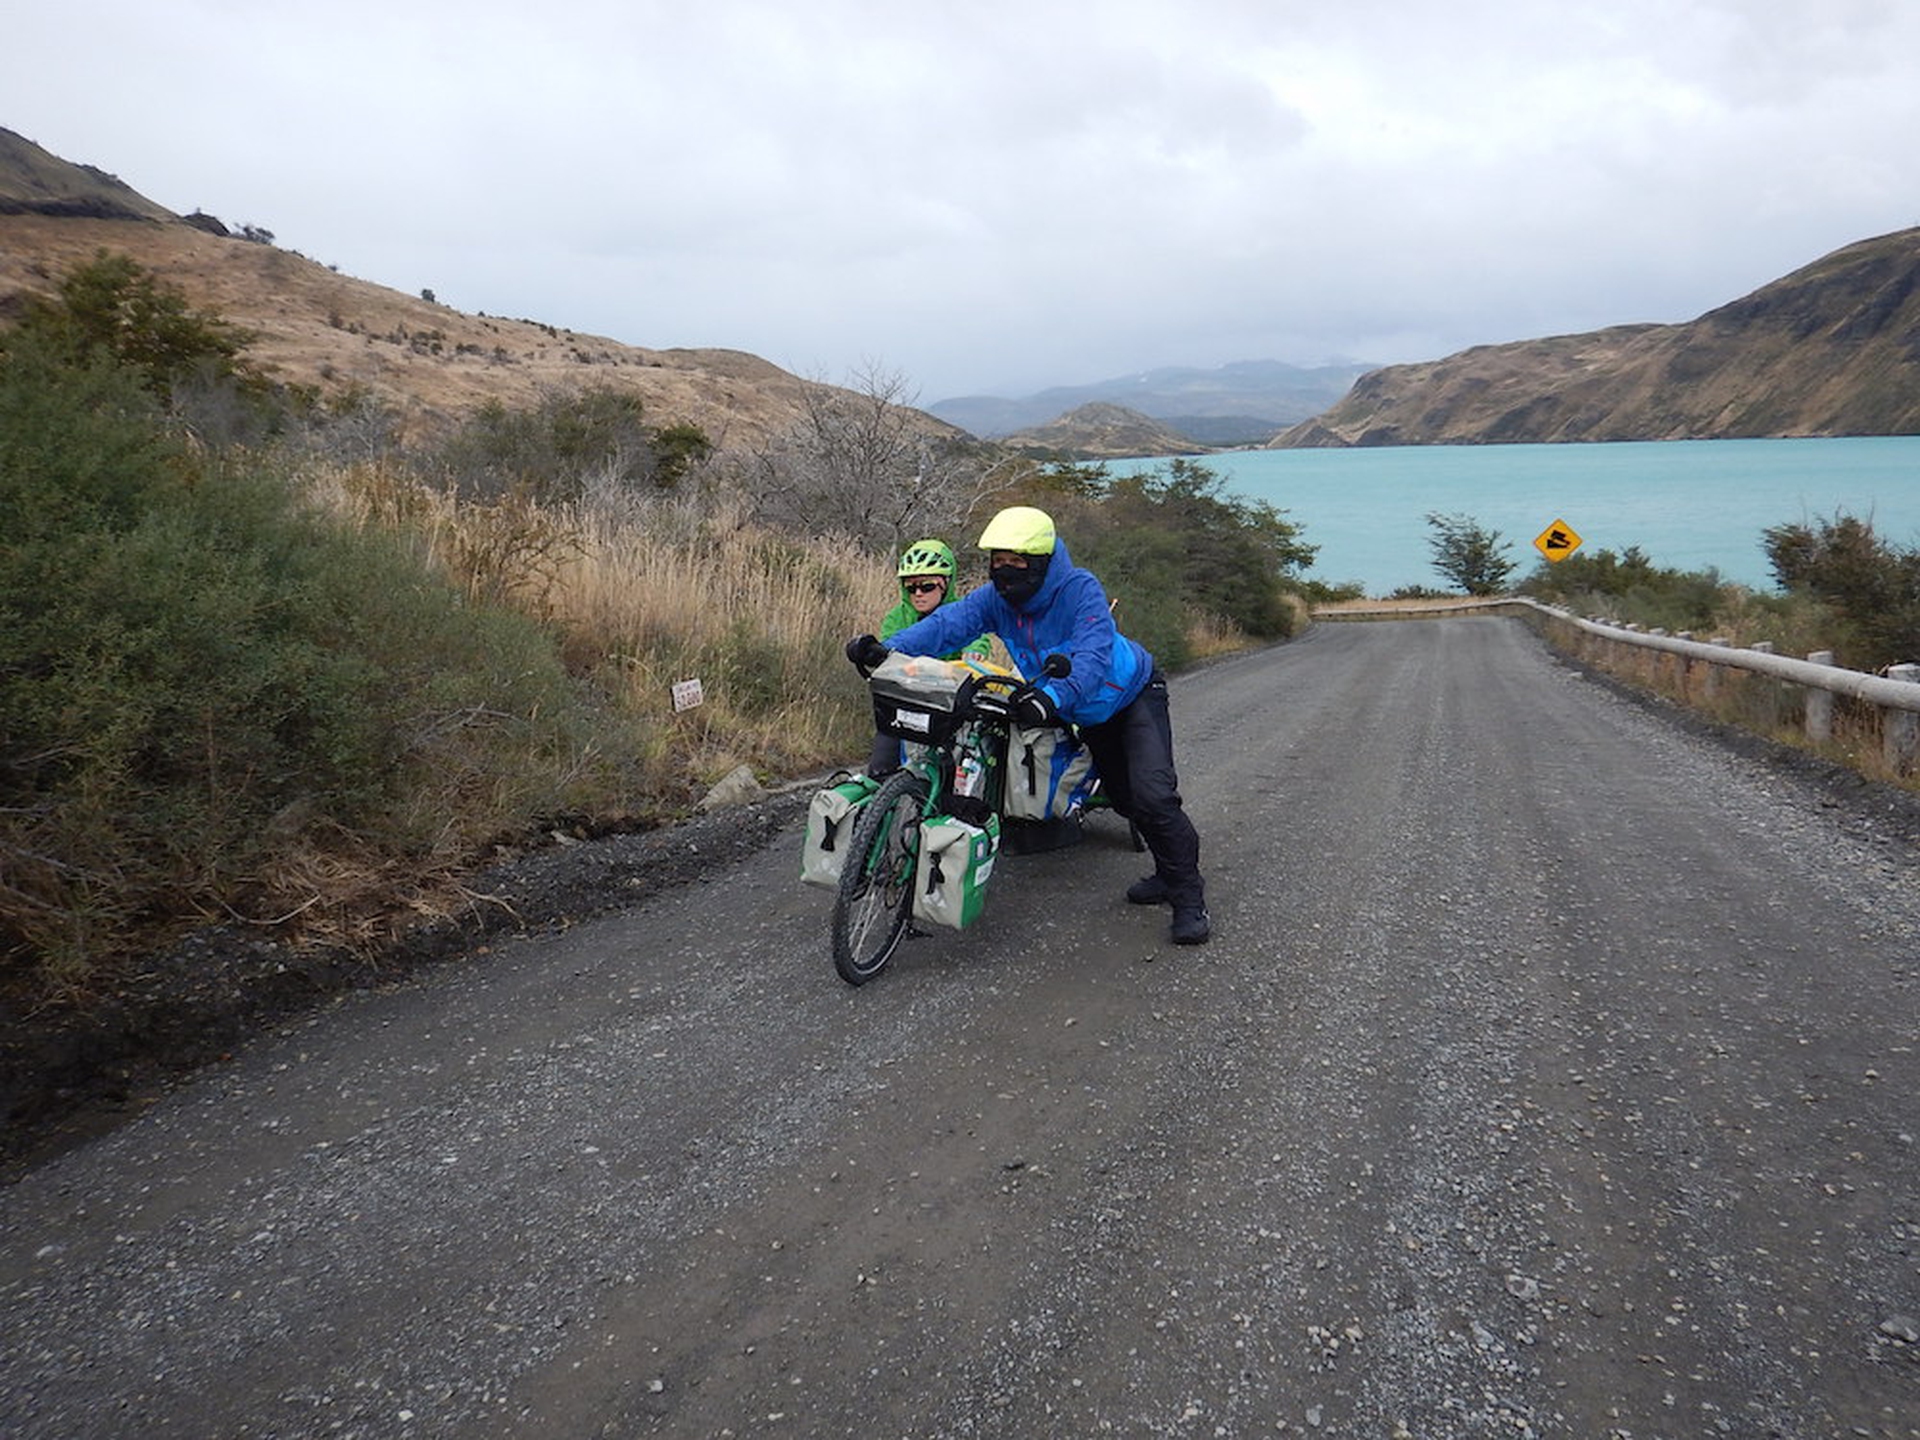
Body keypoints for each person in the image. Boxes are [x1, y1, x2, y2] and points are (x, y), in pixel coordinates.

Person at [847, 506, 1209, 946]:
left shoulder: (1080, 589)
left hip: (1130, 694)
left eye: (1015, 562)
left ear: (1040, 561)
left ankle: (1187, 895)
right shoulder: (996, 600)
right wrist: (886, 650)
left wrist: (1053, 696)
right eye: (997, 561)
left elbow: (1092, 654)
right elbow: (947, 625)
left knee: (1155, 797)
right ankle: (1167, 871)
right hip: (1081, 711)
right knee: (1128, 799)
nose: (1004, 570)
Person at [864, 539, 992, 778]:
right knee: (880, 770)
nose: (918, 594)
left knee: (956, 772)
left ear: (945, 584)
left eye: (927, 586)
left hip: (950, 709)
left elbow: (979, 638)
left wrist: (976, 652)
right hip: (907, 703)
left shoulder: (963, 612)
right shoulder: (896, 618)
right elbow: (888, 652)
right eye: (911, 588)